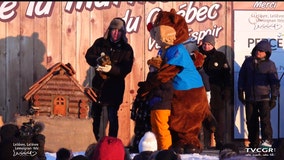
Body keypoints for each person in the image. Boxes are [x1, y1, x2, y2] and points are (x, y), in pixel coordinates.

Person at [138, 9, 210, 154]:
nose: (156, 35)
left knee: (187, 119)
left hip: (190, 91)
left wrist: (147, 87)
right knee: (176, 119)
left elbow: (167, 72)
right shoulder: (164, 50)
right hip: (175, 91)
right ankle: (178, 143)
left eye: (158, 32)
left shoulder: (177, 49)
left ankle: (191, 142)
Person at [85, 17, 134, 141]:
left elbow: (126, 68)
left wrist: (110, 69)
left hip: (115, 86)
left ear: (123, 32)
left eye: (119, 31)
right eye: (114, 30)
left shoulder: (126, 48)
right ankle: (93, 141)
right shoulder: (100, 43)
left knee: (112, 115)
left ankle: (112, 142)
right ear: (109, 30)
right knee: (95, 115)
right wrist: (97, 62)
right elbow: (89, 55)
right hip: (99, 85)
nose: (116, 33)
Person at [238, 40, 280, 148]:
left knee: (265, 121)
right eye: (257, 50)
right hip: (250, 98)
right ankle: (254, 143)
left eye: (261, 51)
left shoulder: (270, 65)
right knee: (251, 121)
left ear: (266, 53)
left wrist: (274, 97)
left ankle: (267, 142)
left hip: (264, 98)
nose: (258, 52)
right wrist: (240, 91)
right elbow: (242, 77)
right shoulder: (248, 62)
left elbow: (274, 82)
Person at [198, 34, 231, 149]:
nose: (206, 46)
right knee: (203, 118)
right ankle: (204, 142)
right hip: (201, 93)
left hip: (217, 92)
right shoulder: (197, 56)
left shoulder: (220, 56)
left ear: (213, 45)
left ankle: (219, 141)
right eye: (205, 44)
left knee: (219, 119)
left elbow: (226, 76)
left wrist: (226, 90)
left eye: (209, 44)